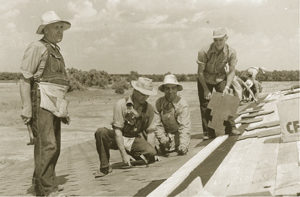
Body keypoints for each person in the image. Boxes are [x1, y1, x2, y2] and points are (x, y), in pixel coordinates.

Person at [19, 11, 71, 196]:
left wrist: (63, 107)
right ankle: (48, 191)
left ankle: (38, 185)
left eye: (61, 28)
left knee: (51, 145)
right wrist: (26, 107)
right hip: (41, 101)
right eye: (56, 27)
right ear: (45, 30)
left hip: (54, 102)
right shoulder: (37, 47)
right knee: (48, 145)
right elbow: (25, 79)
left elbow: (58, 83)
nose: (60, 31)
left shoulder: (55, 49)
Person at [94, 77, 157, 178]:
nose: (144, 97)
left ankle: (135, 156)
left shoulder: (149, 108)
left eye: (147, 95)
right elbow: (117, 131)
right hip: (118, 136)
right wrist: (123, 155)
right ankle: (104, 167)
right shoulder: (121, 104)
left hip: (134, 139)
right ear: (135, 90)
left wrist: (151, 152)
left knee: (151, 153)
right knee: (101, 132)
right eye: (142, 94)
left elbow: (150, 132)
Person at [196, 27, 241, 140]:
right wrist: (206, 89)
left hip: (220, 77)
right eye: (215, 40)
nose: (218, 42)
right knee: (206, 104)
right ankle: (208, 132)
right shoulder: (204, 51)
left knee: (226, 98)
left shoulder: (232, 52)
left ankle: (230, 128)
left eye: (221, 40)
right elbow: (200, 72)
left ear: (226, 38)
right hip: (205, 78)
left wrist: (227, 86)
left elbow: (231, 71)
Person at [153, 74, 191, 156]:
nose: (170, 91)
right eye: (167, 88)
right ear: (164, 89)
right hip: (163, 135)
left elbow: (184, 126)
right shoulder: (158, 102)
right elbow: (157, 124)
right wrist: (163, 139)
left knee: (180, 149)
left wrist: (183, 144)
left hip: (178, 135)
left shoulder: (182, 104)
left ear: (177, 89)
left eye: (173, 88)